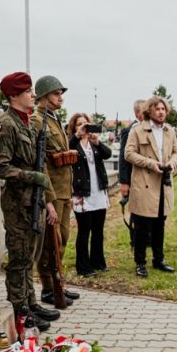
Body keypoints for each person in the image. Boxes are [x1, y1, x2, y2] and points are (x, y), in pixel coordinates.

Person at [0, 72, 59, 330]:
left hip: (34, 201)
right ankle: (21, 309)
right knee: (19, 257)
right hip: (18, 203)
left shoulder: (27, 123)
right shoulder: (5, 125)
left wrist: (45, 195)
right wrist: (30, 176)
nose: (32, 94)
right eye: (27, 91)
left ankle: (31, 301)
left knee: (31, 255)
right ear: (13, 96)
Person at [31, 75, 80, 308]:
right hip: (52, 192)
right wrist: (48, 198)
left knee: (63, 240)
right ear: (43, 97)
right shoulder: (37, 121)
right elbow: (40, 163)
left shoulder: (53, 119)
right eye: (56, 93)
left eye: (61, 94)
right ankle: (49, 288)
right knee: (51, 243)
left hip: (64, 190)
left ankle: (58, 283)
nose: (60, 97)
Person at [124, 96, 177, 277]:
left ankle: (159, 259)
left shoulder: (169, 131)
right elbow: (128, 154)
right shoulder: (138, 130)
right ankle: (140, 263)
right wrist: (150, 163)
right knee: (141, 226)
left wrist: (172, 162)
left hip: (163, 183)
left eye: (163, 109)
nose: (161, 112)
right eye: (157, 109)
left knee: (159, 224)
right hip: (144, 184)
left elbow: (176, 152)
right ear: (150, 111)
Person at [68, 113, 112, 276]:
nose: (84, 126)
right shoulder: (73, 143)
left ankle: (98, 262)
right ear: (74, 127)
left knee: (98, 230)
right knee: (84, 230)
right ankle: (83, 267)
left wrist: (98, 142)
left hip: (98, 191)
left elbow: (107, 154)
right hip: (82, 192)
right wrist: (76, 136)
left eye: (86, 123)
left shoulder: (93, 143)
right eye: (80, 124)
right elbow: (64, 151)